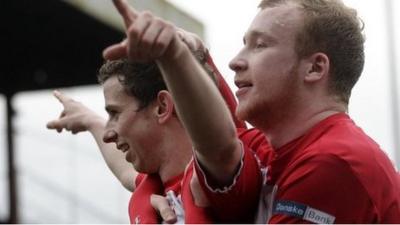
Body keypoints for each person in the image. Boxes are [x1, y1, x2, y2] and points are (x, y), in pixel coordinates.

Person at [104, 0, 400, 223]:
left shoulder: (334, 162)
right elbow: (218, 145)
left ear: (315, 68)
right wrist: (193, 62)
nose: (235, 61)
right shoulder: (272, 151)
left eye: (260, 45)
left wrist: (175, 57)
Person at [47, 33, 248, 223]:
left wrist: (199, 56)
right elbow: (127, 173)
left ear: (162, 107)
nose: (108, 134)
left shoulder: (227, 180)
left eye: (115, 113)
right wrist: (89, 120)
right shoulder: (156, 190)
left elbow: (227, 142)